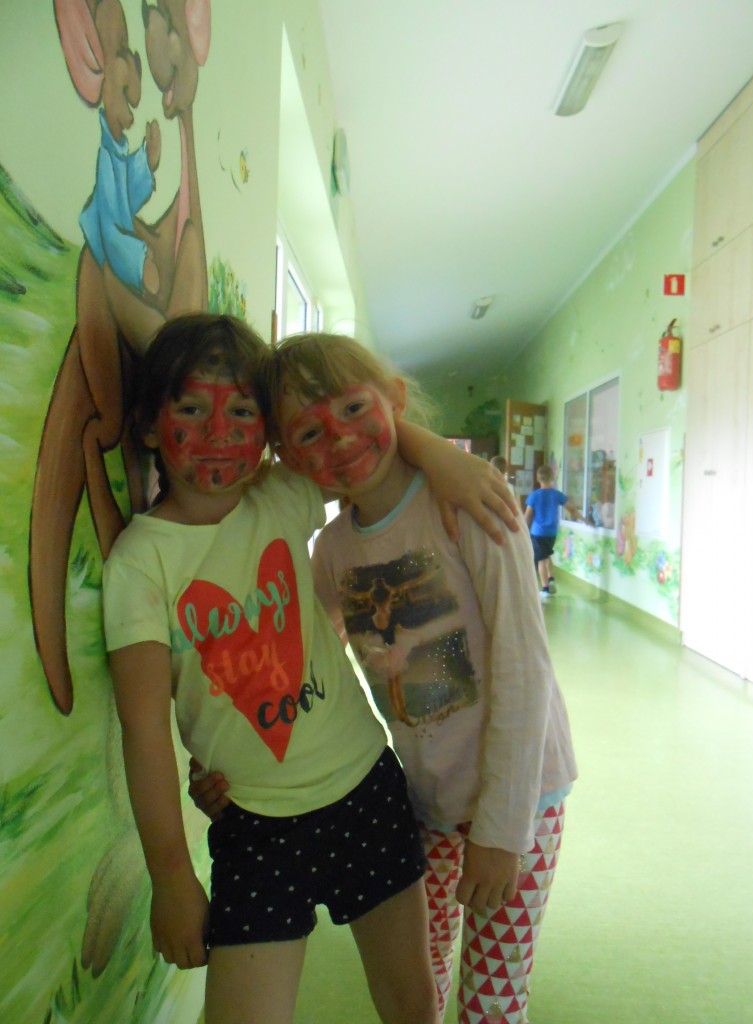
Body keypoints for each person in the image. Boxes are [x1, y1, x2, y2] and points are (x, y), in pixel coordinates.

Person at [102, 313, 520, 1024]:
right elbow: (142, 730)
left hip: (365, 792)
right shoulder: (141, 562)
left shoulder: (280, 496)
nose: (219, 431)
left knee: (412, 1003)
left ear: (266, 432)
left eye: (242, 412)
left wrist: (443, 456)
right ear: (148, 425)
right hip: (253, 824)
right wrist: (170, 874)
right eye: (192, 409)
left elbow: (365, 446)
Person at [192, 332, 577, 1024]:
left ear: (394, 399)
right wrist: (228, 754)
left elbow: (526, 675)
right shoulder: (333, 551)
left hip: (522, 801)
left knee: (492, 1000)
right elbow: (291, 661)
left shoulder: (470, 507)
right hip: (424, 805)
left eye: (353, 409)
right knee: (424, 980)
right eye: (311, 431)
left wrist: (501, 831)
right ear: (289, 457)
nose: (340, 438)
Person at [525, 464, 586, 598]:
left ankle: (545, 588)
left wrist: (523, 530)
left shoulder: (534, 496)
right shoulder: (557, 495)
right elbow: (572, 509)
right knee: (546, 555)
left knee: (541, 560)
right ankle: (551, 578)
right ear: (552, 478)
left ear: (538, 479)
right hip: (552, 533)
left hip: (537, 533)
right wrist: (584, 519)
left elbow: (528, 515)